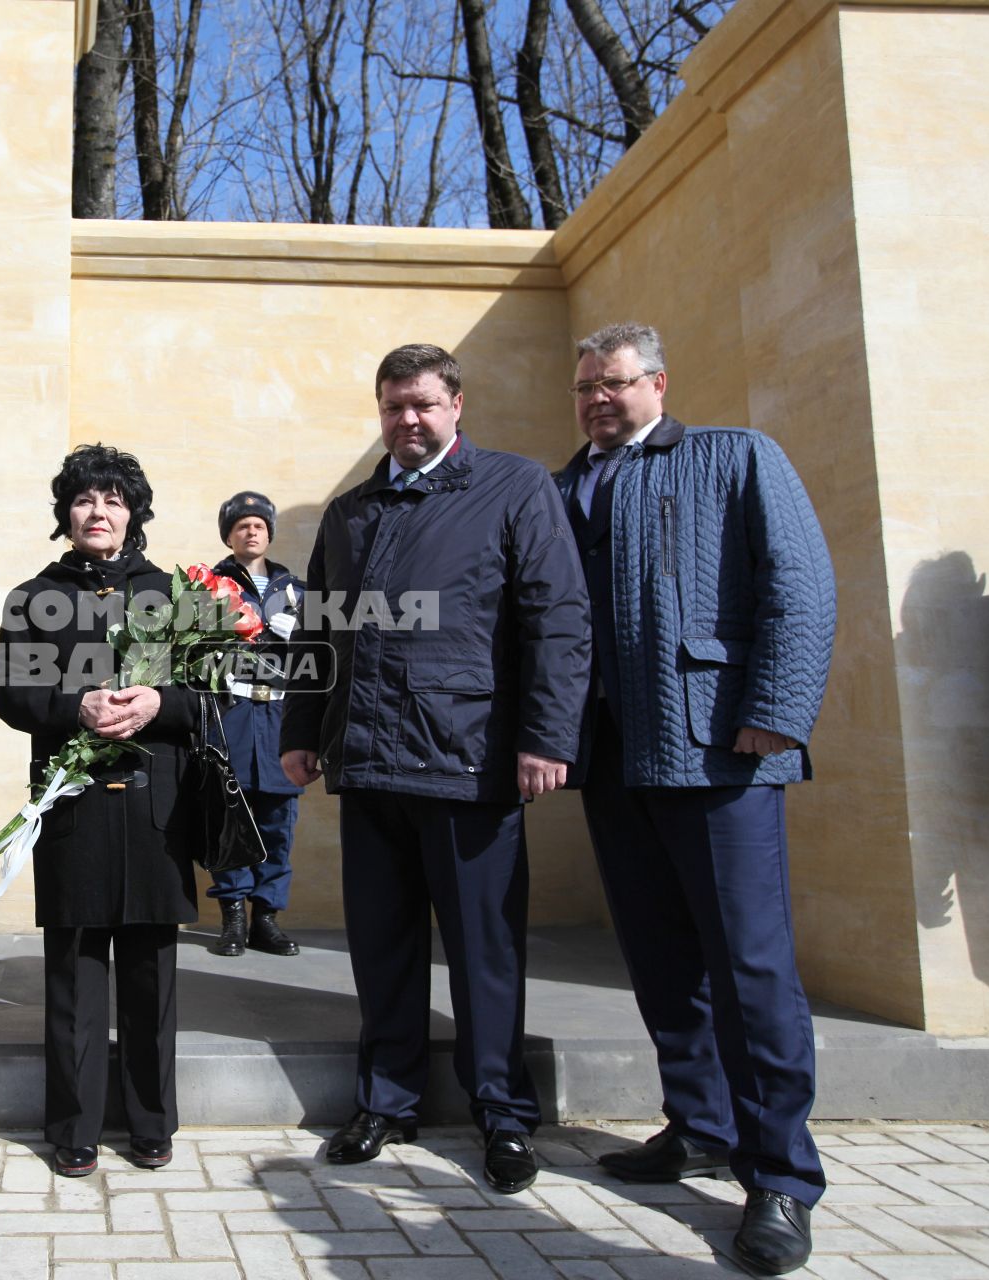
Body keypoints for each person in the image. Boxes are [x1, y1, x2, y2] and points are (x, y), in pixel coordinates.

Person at [556, 323, 835, 1274]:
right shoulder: (565, 487)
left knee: (751, 968)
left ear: (659, 384)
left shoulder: (735, 457)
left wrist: (780, 711)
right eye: (585, 385)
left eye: (615, 382)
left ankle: (783, 1177)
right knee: (662, 960)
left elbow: (798, 584)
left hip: (717, 753)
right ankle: (703, 1123)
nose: (598, 398)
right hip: (615, 761)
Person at [280, 344, 590, 1194]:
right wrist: (304, 728)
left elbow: (556, 616)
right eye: (392, 407)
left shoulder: (514, 487)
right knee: (382, 947)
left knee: (484, 950)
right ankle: (387, 1101)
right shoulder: (352, 511)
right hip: (369, 762)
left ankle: (503, 1115)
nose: (407, 420)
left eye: (422, 404)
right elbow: (318, 629)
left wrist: (547, 735)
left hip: (471, 761)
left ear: (457, 403)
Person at [0, 444, 198, 1178]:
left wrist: (158, 702)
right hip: (73, 805)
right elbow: (8, 693)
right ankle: (73, 1125)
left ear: (134, 512)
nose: (98, 511)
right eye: (84, 500)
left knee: (151, 973)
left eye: (112, 499)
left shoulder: (175, 594)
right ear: (65, 514)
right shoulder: (33, 594)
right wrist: (71, 704)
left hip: (155, 809)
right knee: (75, 972)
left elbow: (212, 695)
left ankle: (150, 1122)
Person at [206, 491, 305, 958]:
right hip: (232, 720)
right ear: (228, 534)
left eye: (259, 524)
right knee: (232, 825)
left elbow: (325, 664)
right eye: (241, 524)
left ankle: (266, 918)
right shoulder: (205, 587)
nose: (251, 530)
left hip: (281, 724)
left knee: (277, 826)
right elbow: (189, 658)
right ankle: (233, 919)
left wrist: (300, 638)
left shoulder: (298, 591)